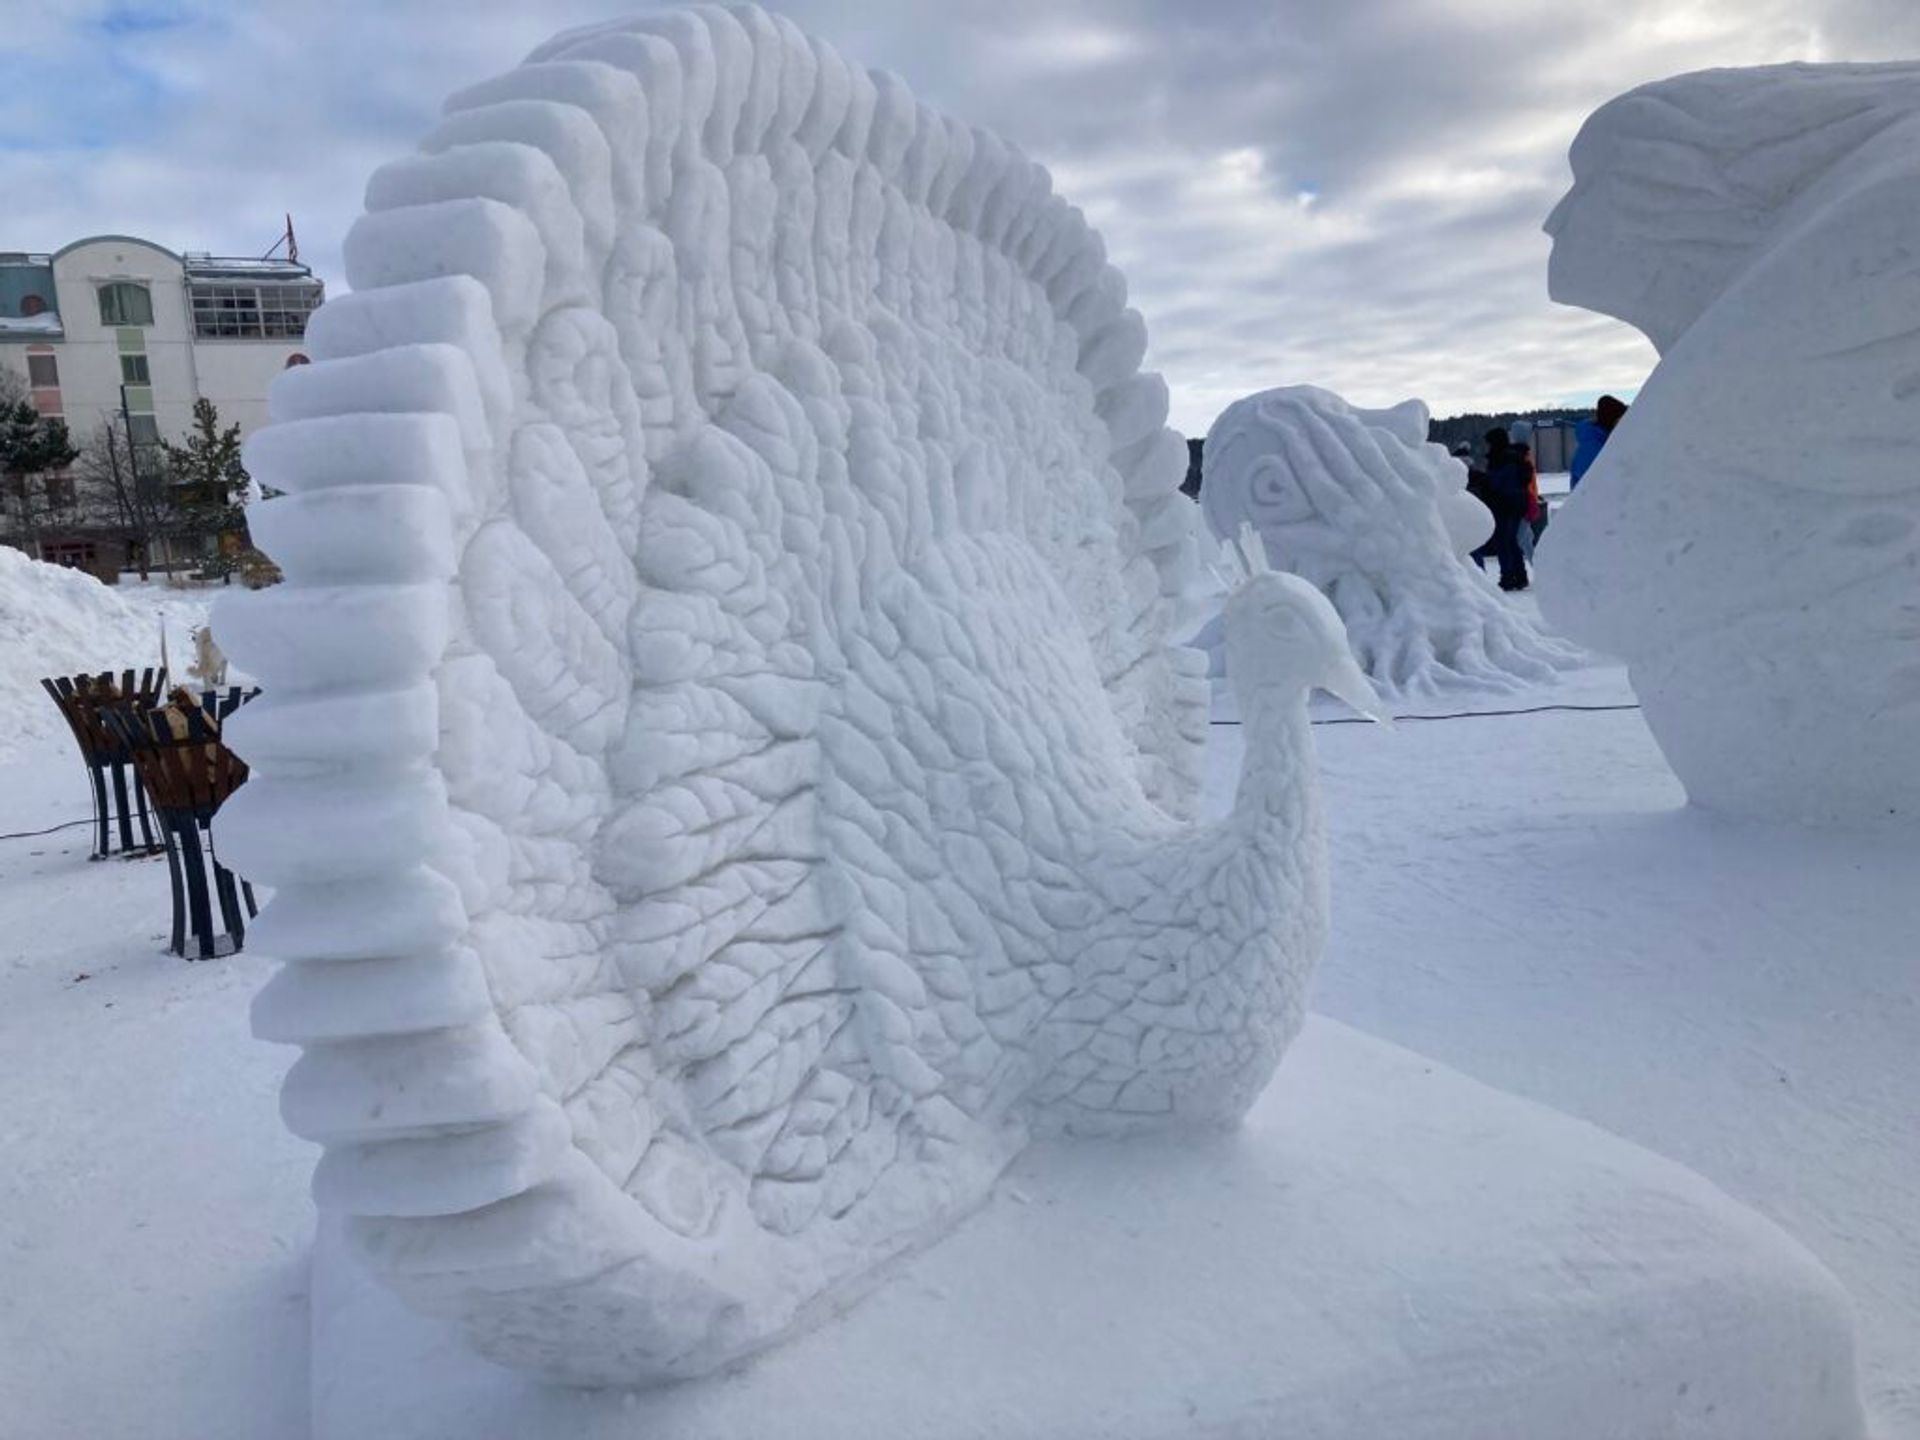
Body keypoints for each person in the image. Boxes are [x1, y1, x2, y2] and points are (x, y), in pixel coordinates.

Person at [1481, 426, 1531, 590]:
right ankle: (1519, 575)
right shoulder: (1513, 458)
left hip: (1504, 505)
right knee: (1510, 541)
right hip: (1514, 505)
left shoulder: (1501, 460)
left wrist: (1483, 481)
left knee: (1504, 542)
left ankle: (1508, 576)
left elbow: (1498, 484)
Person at [1569, 394, 1628, 488]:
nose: (1625, 425)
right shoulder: (1592, 449)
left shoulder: (1604, 443)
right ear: (1611, 420)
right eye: (1621, 420)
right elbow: (1597, 485)